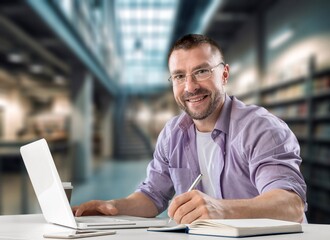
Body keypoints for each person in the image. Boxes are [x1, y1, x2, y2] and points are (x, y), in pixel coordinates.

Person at [73, 34, 307, 224]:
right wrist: (113, 206)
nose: (190, 87)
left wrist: (221, 210)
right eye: (179, 76)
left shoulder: (260, 128)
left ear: (224, 74)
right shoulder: (173, 133)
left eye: (201, 71)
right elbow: (152, 196)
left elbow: (290, 205)